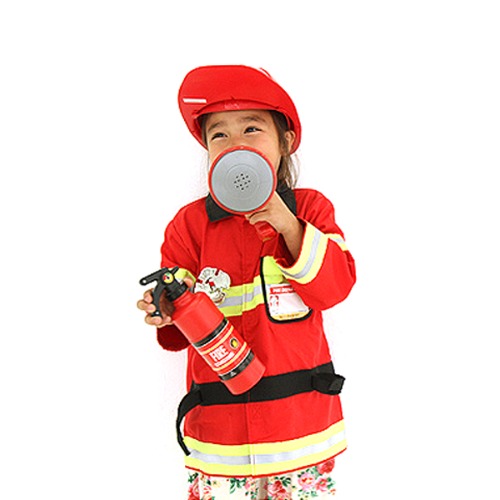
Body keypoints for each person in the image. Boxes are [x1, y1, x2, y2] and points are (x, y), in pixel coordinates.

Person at [137, 65, 356, 499]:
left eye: (251, 128)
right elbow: (180, 321)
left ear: (285, 142)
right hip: (221, 442)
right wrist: (164, 307)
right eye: (219, 134)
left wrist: (289, 226)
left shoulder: (310, 210)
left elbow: (334, 287)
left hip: (300, 434)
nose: (235, 144)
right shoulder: (190, 226)